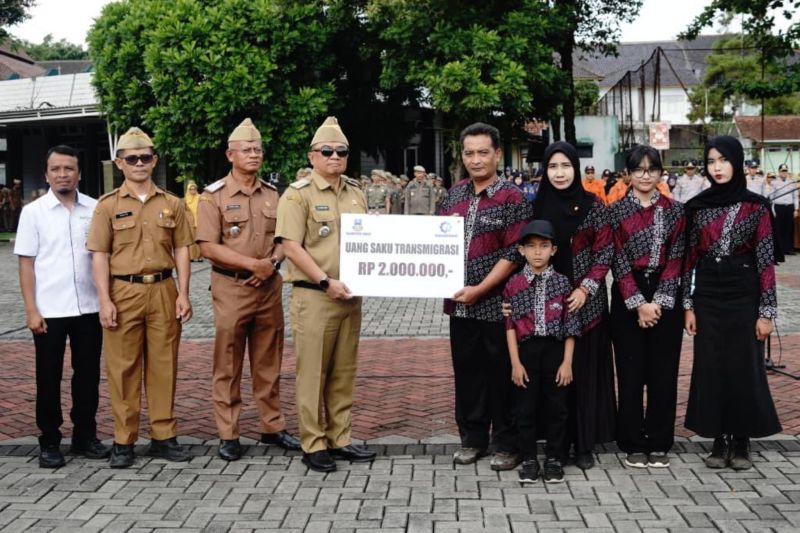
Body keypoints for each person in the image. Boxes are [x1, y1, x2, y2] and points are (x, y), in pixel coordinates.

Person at [87, 127, 194, 468]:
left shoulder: (172, 203)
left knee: (164, 365)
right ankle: (124, 440)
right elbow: (100, 254)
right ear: (119, 163)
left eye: (145, 157)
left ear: (154, 160)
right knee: (123, 369)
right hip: (123, 291)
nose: (138, 164)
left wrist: (184, 293)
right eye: (131, 158)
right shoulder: (107, 206)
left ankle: (163, 435)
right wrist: (104, 300)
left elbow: (182, 249)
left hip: (163, 289)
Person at [196, 118, 301, 461]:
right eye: (246, 150)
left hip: (268, 287)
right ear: (230, 155)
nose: (254, 154)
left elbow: (285, 238)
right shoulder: (213, 197)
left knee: (269, 361)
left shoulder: (272, 194)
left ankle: (272, 426)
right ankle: (229, 433)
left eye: (258, 149)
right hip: (232, 287)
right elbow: (207, 246)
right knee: (228, 363)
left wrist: (271, 263)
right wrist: (252, 265)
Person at [275, 116, 375, 473]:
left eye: (341, 152)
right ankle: (314, 442)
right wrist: (324, 281)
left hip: (350, 295)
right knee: (313, 372)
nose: (335, 157)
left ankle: (340, 438)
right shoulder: (297, 194)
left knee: (344, 371)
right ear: (312, 156)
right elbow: (290, 246)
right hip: (315, 295)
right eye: (327, 151)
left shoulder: (356, 193)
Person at [683, 135, 782, 471]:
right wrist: (687, 305)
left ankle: (741, 438)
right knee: (710, 365)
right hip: (707, 293)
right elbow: (688, 260)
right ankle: (718, 437)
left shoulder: (757, 206)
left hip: (744, 291)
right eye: (711, 161)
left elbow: (765, 262)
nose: (717, 167)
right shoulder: (696, 207)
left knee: (743, 365)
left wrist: (767, 312)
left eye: (724, 160)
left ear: (737, 162)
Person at [437, 122, 533, 471]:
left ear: (497, 154)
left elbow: (514, 253)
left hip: (498, 307)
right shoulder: (452, 196)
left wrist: (480, 289)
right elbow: (432, 243)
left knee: (501, 375)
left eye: (483, 152)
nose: (476, 160)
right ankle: (472, 440)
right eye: (469, 153)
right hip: (459, 306)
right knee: (467, 374)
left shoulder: (513, 198)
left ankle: (506, 444)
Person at [14, 145, 109, 468]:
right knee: (48, 377)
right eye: (55, 169)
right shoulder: (33, 212)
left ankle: (85, 436)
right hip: (49, 310)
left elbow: (102, 257)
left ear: (79, 173)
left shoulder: (95, 209)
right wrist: (31, 310)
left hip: (89, 308)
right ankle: (50, 440)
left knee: (88, 375)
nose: (62, 174)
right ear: (46, 174)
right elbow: (26, 265)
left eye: (69, 168)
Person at [531, 141, 615, 470]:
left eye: (566, 166)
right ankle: (557, 443)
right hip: (547, 304)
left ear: (576, 169)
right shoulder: (535, 207)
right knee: (553, 374)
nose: (560, 173)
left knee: (584, 373)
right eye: (553, 167)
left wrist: (586, 288)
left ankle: (584, 444)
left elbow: (604, 252)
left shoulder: (594, 206)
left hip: (586, 304)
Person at [608, 145, 686, 469]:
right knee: (630, 372)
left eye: (651, 169)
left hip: (666, 294)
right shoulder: (614, 212)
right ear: (628, 174)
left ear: (660, 173)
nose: (644, 175)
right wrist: (639, 303)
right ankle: (632, 441)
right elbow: (616, 259)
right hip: (627, 294)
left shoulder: (676, 211)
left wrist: (658, 303)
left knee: (663, 373)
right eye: (638, 169)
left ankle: (659, 440)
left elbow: (677, 257)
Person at [504, 220, 578, 484]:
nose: (537, 252)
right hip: (526, 352)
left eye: (544, 246)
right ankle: (529, 459)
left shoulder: (562, 283)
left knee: (557, 408)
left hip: (555, 351)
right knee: (525, 408)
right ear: (521, 250)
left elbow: (570, 326)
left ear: (553, 250)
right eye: (531, 246)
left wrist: (567, 362)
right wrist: (515, 363)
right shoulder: (514, 284)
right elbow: (510, 327)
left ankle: (555, 458)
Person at [768, 163, 798, 255]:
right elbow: (771, 197)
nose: (784, 173)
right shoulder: (774, 182)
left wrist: (796, 209)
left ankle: (788, 248)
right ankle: (779, 249)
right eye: (782, 171)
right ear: (779, 172)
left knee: (789, 228)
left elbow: (795, 196)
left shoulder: (792, 182)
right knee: (778, 228)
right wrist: (773, 210)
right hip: (779, 207)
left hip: (789, 207)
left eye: (785, 171)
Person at [183, 180, 202, 261]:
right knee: (191, 239)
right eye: (191, 189)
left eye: (194, 189)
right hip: (190, 222)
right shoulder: (185, 199)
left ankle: (199, 256)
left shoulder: (200, 197)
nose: (193, 191)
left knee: (199, 239)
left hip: (199, 221)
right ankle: (192, 256)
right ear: (188, 190)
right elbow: (184, 211)